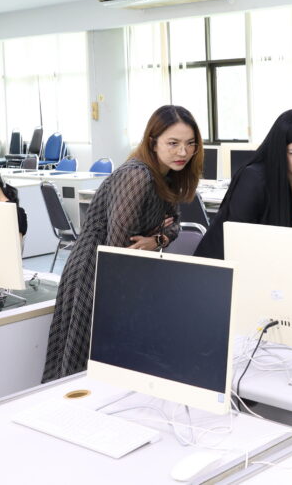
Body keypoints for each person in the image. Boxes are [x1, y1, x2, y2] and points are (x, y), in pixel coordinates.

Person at [42, 105, 202, 381]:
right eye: (173, 143)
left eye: (190, 144)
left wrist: (157, 239)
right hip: (96, 273)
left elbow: (175, 225)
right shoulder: (136, 175)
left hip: (125, 272)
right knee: (87, 367)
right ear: (152, 142)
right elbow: (118, 247)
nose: (183, 152)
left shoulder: (168, 176)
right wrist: (157, 236)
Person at [195, 108, 292, 260]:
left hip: (272, 262)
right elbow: (239, 241)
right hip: (223, 265)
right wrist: (289, 238)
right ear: (279, 151)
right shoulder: (254, 179)